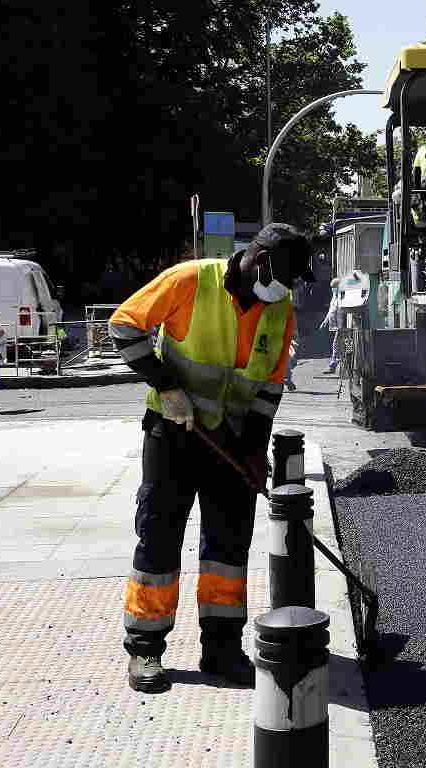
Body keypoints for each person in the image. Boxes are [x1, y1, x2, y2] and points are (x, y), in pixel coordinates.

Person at [109, 223, 314, 693]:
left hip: (231, 440)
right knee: (160, 538)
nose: (285, 291)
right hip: (175, 433)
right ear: (259, 262)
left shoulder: (280, 309)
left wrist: (253, 452)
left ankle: (222, 649)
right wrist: (165, 385)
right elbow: (124, 324)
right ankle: (145, 649)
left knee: (228, 546)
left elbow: (269, 388)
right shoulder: (191, 279)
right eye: (284, 277)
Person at [320, 278, 342, 373]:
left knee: (336, 345)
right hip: (334, 325)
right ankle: (336, 364)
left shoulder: (342, 297)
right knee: (337, 345)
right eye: (332, 287)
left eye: (334, 287)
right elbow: (331, 310)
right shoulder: (334, 296)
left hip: (341, 326)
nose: (333, 289)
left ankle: (333, 365)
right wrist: (325, 321)